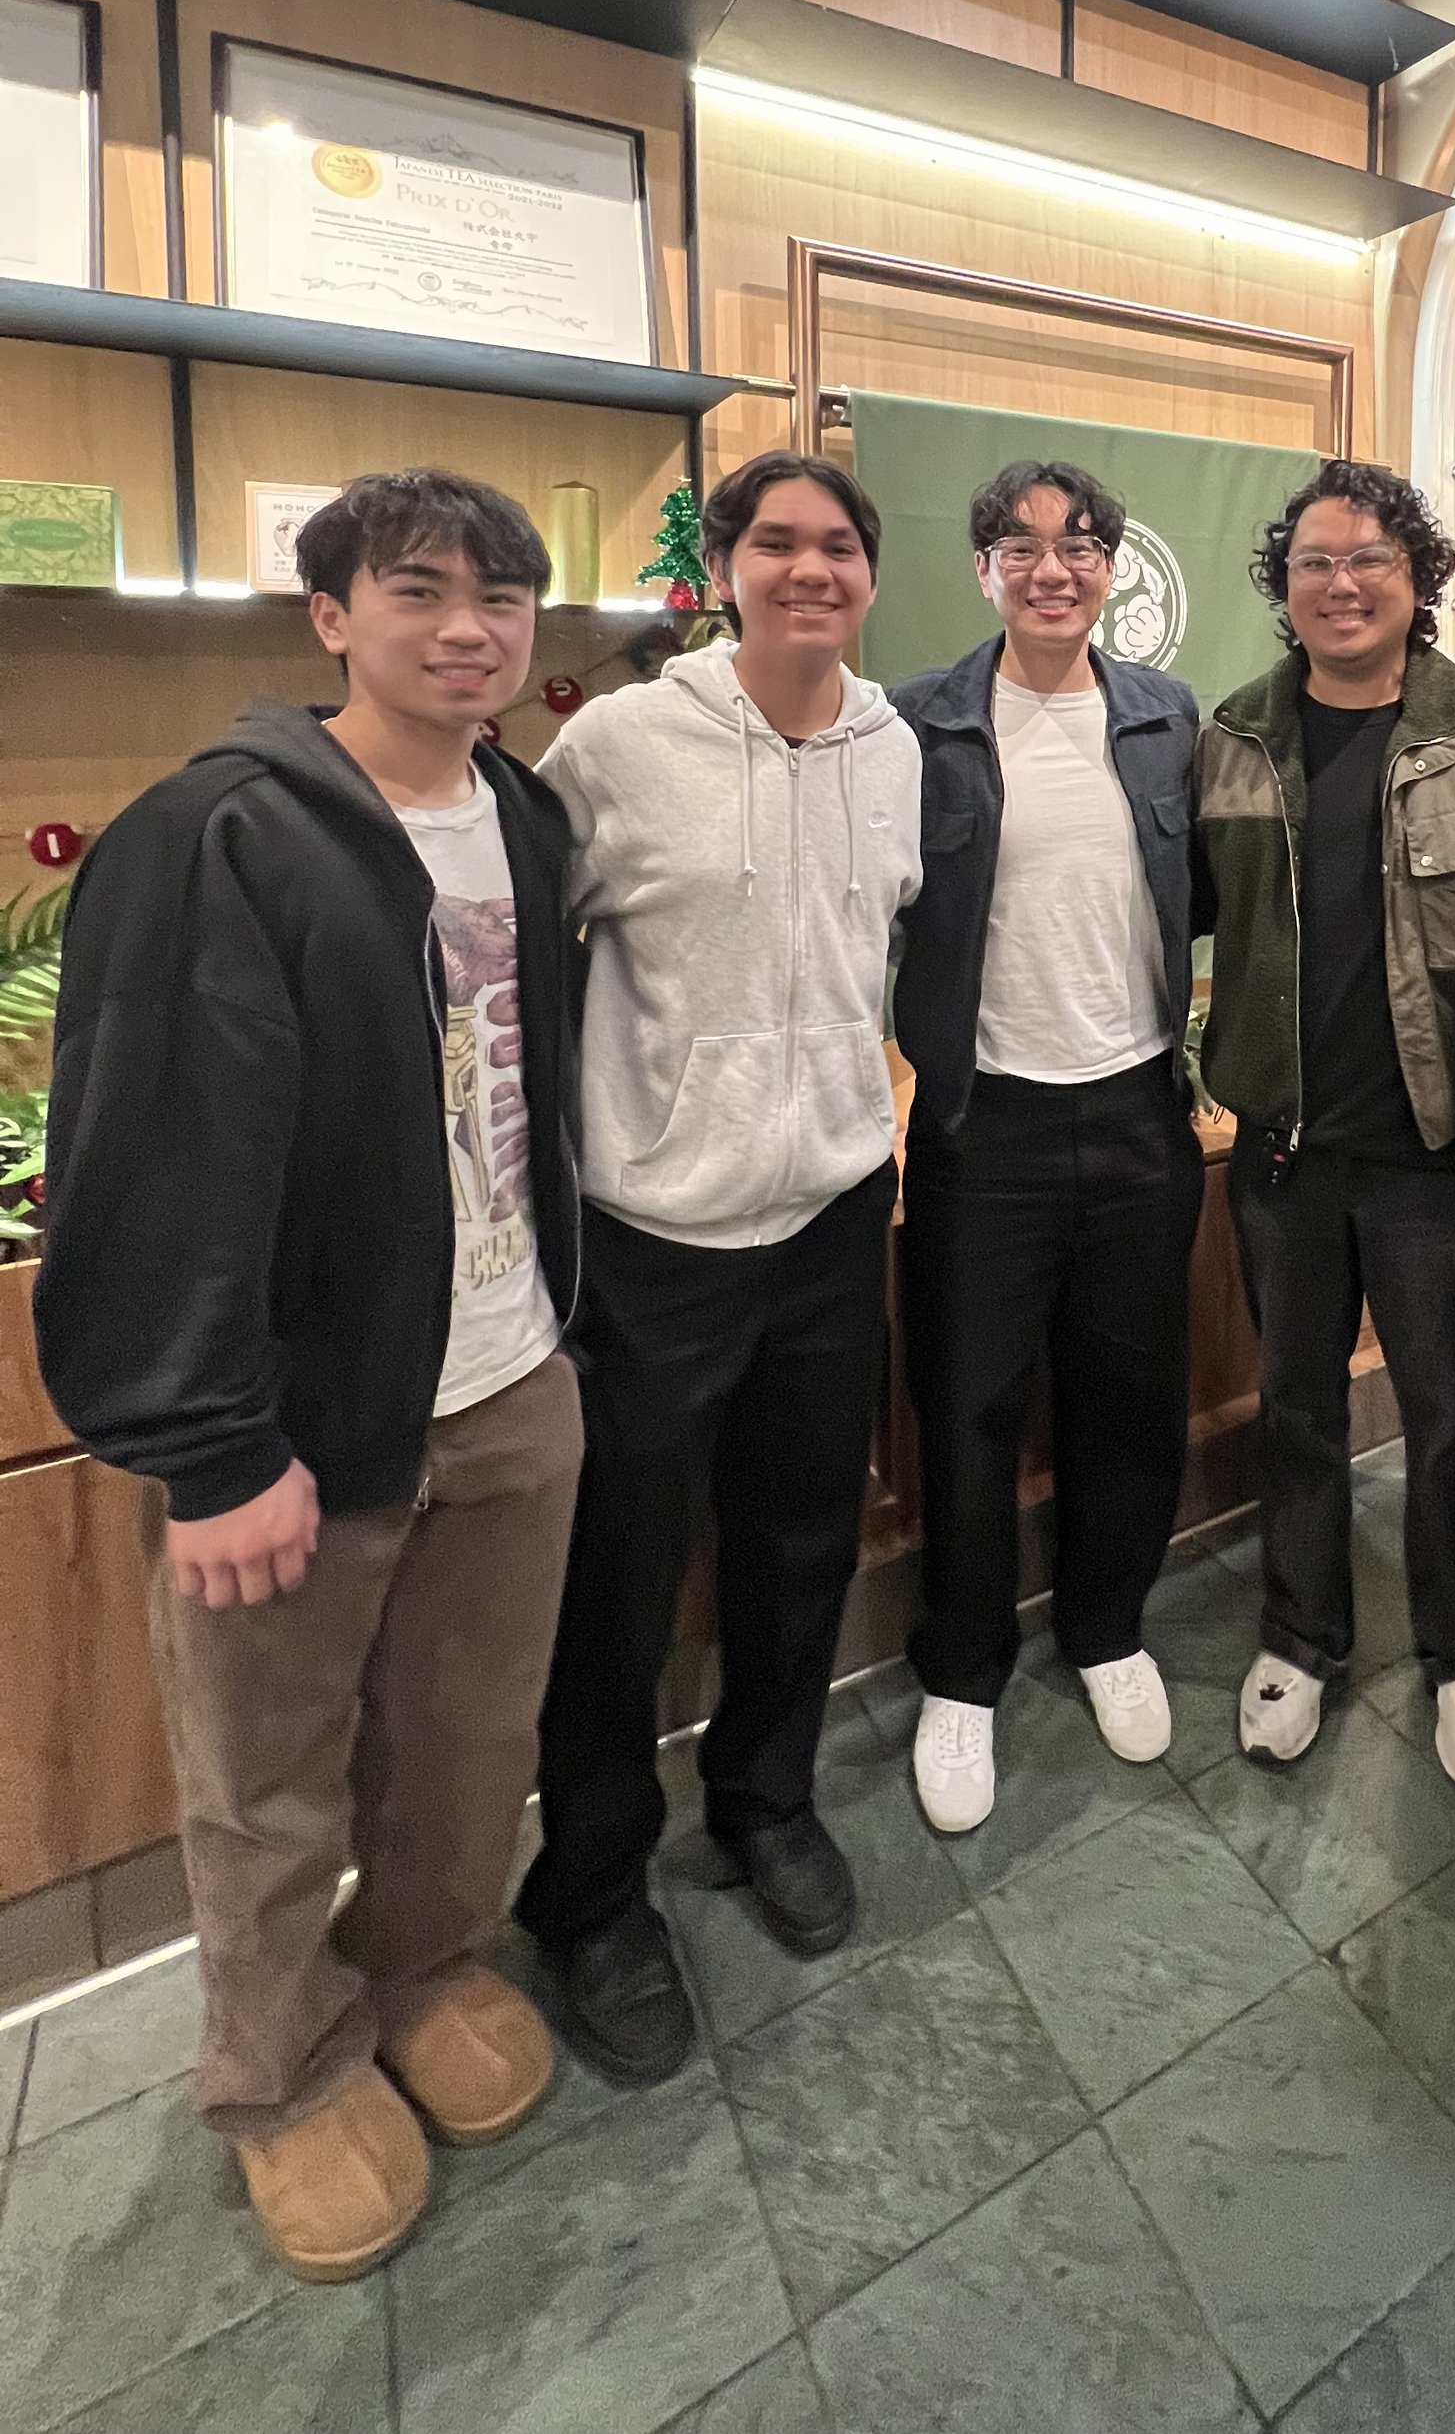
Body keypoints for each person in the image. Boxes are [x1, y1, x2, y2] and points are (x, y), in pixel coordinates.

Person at [35, 471, 584, 2285]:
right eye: (419, 588)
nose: (468, 626)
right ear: (329, 615)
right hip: (303, 1413)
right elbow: (155, 1148)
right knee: (267, 1776)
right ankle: (274, 2074)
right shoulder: (224, 832)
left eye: (504, 595)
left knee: (465, 1736)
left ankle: (421, 1964)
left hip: (512, 1370)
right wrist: (210, 1442)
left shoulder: (523, 812)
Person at [513, 452, 920, 2083]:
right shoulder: (619, 743)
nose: (809, 569)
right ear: (727, 568)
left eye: (837, 544)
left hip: (831, 1221)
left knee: (799, 1543)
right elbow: (528, 967)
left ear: (869, 575)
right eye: (777, 543)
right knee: (615, 1585)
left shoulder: (898, 748)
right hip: (654, 1238)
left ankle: (767, 1799)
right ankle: (593, 1890)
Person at [1195, 457, 1455, 1785]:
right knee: (1294, 1405)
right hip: (1286, 1151)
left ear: (1421, 583)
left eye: (1370, 560)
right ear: (1283, 588)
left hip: (1441, 1152)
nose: (1340, 583)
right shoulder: (1230, 738)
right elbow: (1180, 913)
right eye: (1313, 562)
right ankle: (1300, 1633)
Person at [889, 461, 1202, 1834]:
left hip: (1140, 1109)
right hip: (984, 1120)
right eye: (1019, 545)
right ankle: (962, 1672)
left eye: (1079, 545)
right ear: (983, 569)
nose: (1052, 567)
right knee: (965, 1407)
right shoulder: (921, 724)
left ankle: (1107, 1628)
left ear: (1114, 568)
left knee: (1130, 1390)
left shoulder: (1165, 717)